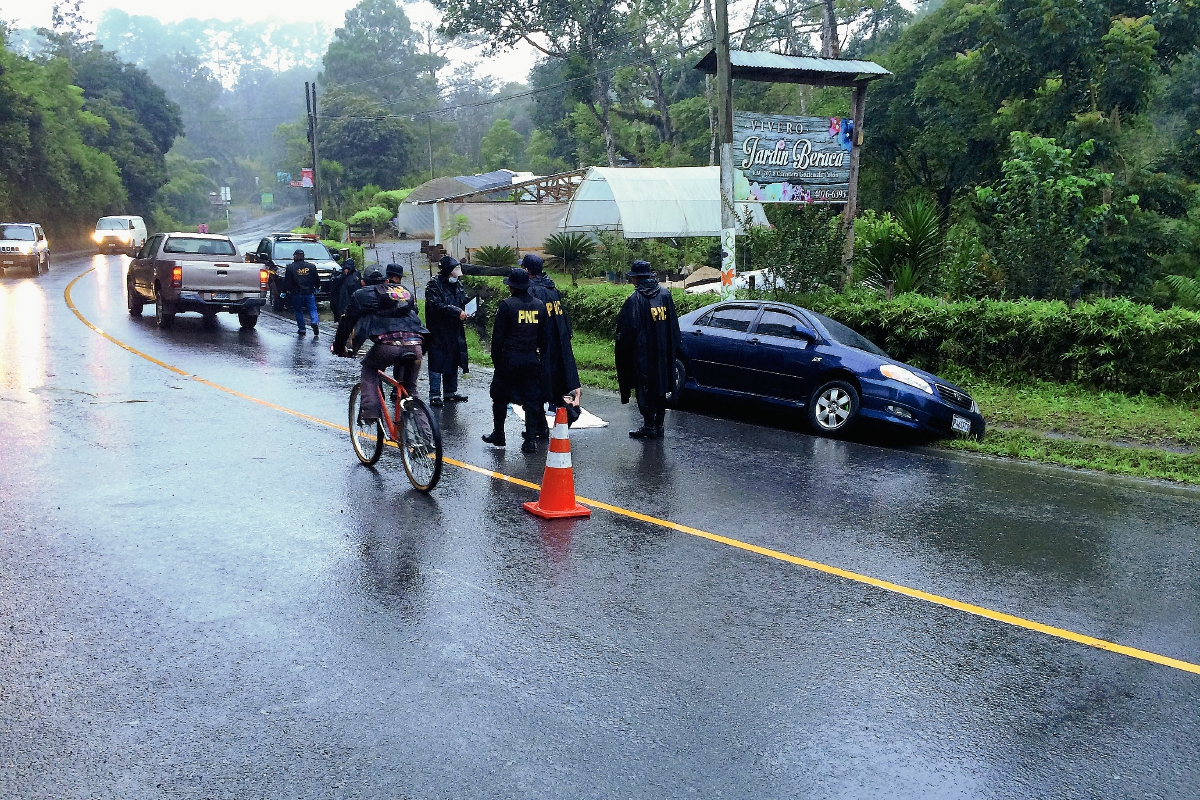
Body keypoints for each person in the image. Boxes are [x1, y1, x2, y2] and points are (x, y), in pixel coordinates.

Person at [331, 265, 428, 423]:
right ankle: (426, 441)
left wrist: (340, 346)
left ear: (363, 283)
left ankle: (370, 412)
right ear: (386, 280)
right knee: (411, 389)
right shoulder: (401, 292)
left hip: (387, 345)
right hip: (417, 343)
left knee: (369, 368)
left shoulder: (361, 296)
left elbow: (347, 323)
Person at [483, 267, 549, 453]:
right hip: (530, 359)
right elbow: (544, 338)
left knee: (500, 398)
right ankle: (530, 441)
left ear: (511, 287)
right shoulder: (539, 305)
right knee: (531, 401)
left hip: (509, 359)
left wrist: (498, 363)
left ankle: (499, 435)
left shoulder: (506, 306)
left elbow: (497, 339)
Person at [615, 260, 682, 440]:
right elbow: (674, 326)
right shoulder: (665, 295)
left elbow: (627, 331)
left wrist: (623, 350)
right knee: (661, 388)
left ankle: (649, 426)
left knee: (644, 390)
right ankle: (659, 425)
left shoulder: (634, 300)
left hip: (643, 355)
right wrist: (672, 349)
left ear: (636, 278)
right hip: (663, 353)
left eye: (632, 278)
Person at [522, 253, 582, 422]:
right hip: (559, 340)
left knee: (538, 383)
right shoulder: (552, 288)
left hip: (542, 342)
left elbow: (532, 318)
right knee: (555, 379)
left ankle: (541, 422)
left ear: (527, 270)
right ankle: (560, 409)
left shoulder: (531, 290)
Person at [424, 255, 471, 407]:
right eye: (453, 271)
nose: (456, 275)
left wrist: (469, 309)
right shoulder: (433, 286)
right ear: (447, 272)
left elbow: (463, 299)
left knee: (453, 359)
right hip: (438, 329)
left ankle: (450, 392)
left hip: (454, 328)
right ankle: (435, 394)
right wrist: (456, 311)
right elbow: (436, 305)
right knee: (437, 360)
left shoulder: (458, 285)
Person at [284, 248, 321, 337]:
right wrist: (317, 287)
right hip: (309, 293)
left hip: (297, 294)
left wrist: (284, 291)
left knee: (298, 311)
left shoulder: (290, 267)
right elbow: (316, 278)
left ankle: (302, 329)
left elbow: (287, 281)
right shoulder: (311, 266)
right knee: (313, 309)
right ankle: (314, 322)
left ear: (295, 256)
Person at [329, 258, 361, 322]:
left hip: (350, 302)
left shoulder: (355, 276)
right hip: (343, 303)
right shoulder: (340, 278)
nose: (346, 271)